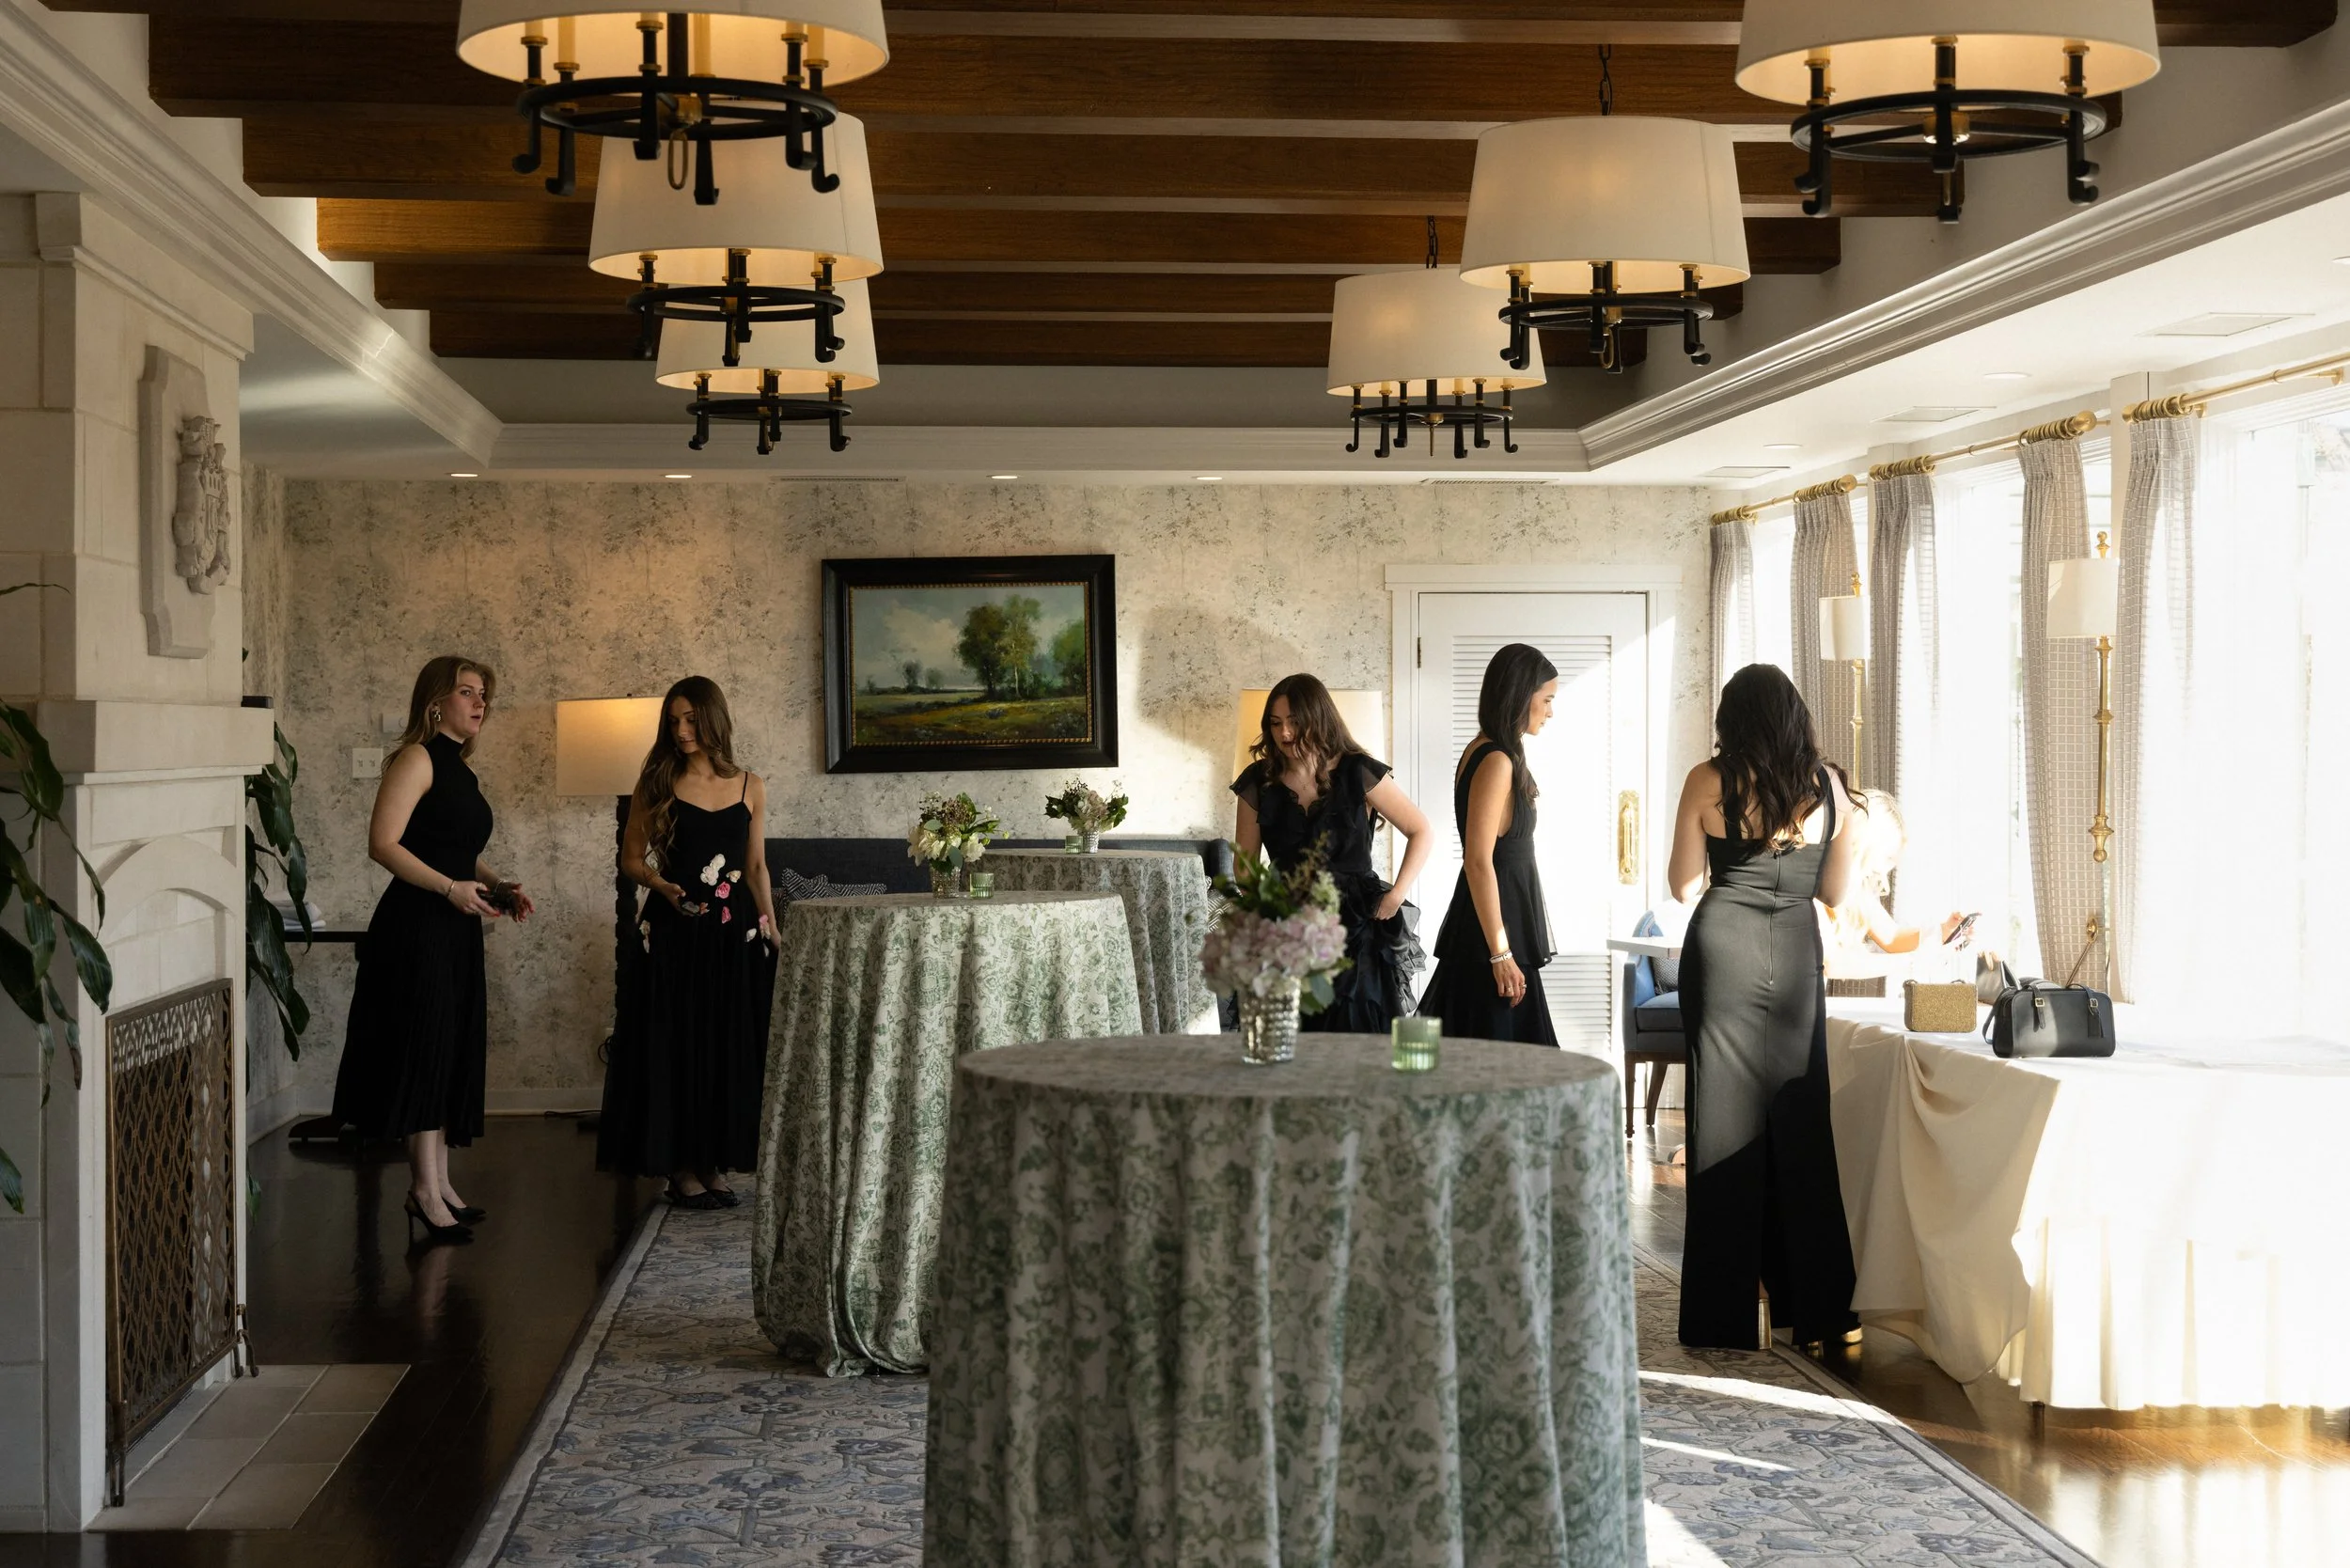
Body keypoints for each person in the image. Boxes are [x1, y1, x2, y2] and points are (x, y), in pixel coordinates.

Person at [1667, 663, 1861, 1350]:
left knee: (1719, 1125)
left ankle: (1722, 1316)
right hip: (1796, 959)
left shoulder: (1707, 782)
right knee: (1801, 1123)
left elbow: (1683, 885)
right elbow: (1835, 894)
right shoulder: (1829, 787)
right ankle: (1820, 1311)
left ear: (1732, 720)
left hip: (1723, 956)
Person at [333, 655, 534, 1246]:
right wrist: (450, 889)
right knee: (425, 1048)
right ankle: (422, 1189)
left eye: (484, 696)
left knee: (449, 1048)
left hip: (453, 924)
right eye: (467, 692)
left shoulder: (459, 771)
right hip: (418, 925)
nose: (480, 704)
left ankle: (440, 1181)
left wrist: (497, 885)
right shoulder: (416, 758)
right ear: (435, 702)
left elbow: (456, 849)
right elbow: (383, 843)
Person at [598, 677, 778, 1209]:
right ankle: (679, 1168)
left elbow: (756, 866)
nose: (681, 730)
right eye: (673, 720)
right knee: (677, 1046)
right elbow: (630, 859)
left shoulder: (751, 785)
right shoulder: (656, 780)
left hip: (732, 934)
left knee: (725, 1046)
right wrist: (660, 886)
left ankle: (713, 1163)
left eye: (691, 719)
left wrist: (772, 926)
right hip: (676, 932)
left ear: (713, 719)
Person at [1230, 674, 1433, 1031]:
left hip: (1357, 926)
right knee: (1293, 1041)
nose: (1285, 734)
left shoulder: (1358, 770)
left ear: (1318, 718)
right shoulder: (1258, 781)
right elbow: (1245, 869)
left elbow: (1421, 830)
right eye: (1276, 724)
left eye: (1295, 722)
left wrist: (1397, 895)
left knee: (1358, 1038)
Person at [1417, 643, 1560, 1044]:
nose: (1551, 712)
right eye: (1546, 700)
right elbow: (1478, 861)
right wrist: (1501, 953)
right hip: (1494, 933)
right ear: (1520, 695)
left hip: (1500, 924)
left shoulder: (1492, 751)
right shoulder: (1496, 759)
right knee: (1504, 1060)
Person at [1821, 786, 1969, 962]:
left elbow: (1892, 937)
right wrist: (1912, 961)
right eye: (1888, 857)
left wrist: (1944, 931)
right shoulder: (1820, 881)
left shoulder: (1856, 891)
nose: (1884, 871)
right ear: (1866, 843)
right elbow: (1834, 962)